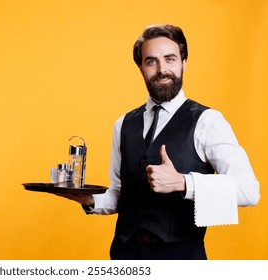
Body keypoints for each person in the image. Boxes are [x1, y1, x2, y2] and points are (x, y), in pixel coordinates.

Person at [60, 24, 260, 260]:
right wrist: (89, 199)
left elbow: (249, 190)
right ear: (141, 68)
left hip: (181, 260)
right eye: (151, 61)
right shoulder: (123, 124)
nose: (162, 69)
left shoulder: (208, 121)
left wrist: (183, 182)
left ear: (183, 63)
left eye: (170, 59)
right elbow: (121, 193)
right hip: (125, 258)